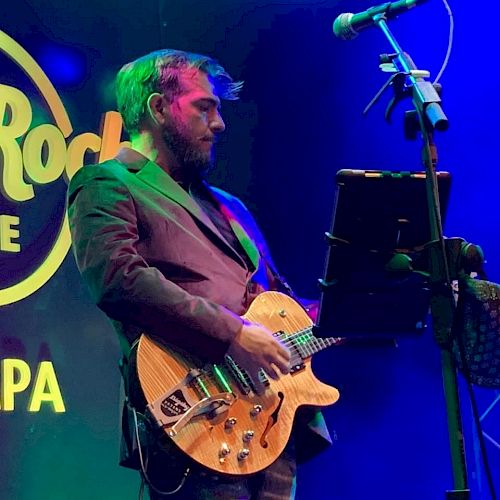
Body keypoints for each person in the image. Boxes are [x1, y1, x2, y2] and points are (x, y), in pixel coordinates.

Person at [67, 49, 331, 499]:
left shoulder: (232, 208)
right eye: (204, 107)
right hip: (195, 417)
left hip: (268, 422)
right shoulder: (108, 182)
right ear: (157, 108)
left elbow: (278, 303)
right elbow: (119, 280)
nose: (220, 123)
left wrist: (363, 303)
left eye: (219, 110)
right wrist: (233, 333)